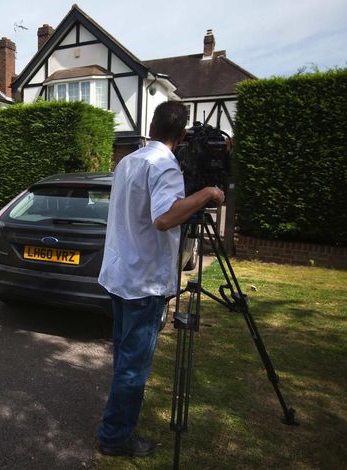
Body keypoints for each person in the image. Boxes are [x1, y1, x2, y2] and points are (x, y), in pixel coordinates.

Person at [96, 101, 225, 457]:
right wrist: (207, 194)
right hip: (143, 281)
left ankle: (116, 424)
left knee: (124, 357)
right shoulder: (164, 165)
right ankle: (115, 437)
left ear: (151, 127)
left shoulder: (127, 161)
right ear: (181, 136)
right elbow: (165, 219)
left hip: (121, 275)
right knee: (134, 366)